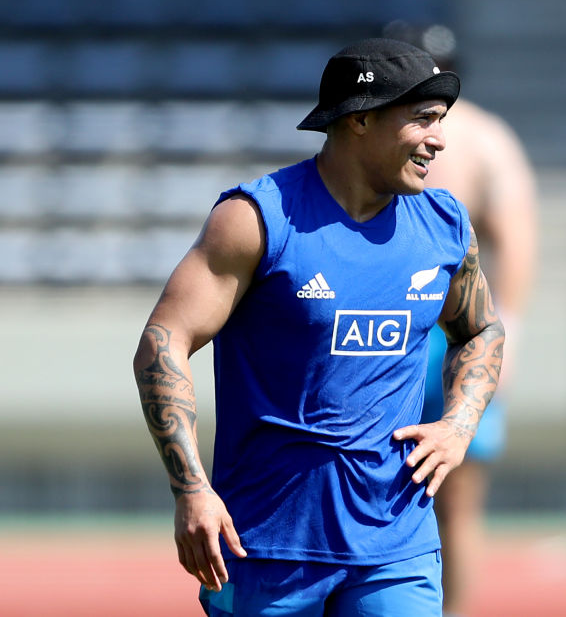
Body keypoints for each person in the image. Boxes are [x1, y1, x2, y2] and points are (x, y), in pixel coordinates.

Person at [133, 37, 505, 617]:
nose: (439, 139)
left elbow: (481, 331)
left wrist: (457, 425)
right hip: (262, 547)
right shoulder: (257, 219)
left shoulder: (446, 225)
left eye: (441, 121)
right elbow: (163, 342)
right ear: (359, 120)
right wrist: (191, 488)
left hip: (394, 546)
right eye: (423, 120)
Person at [382, 21, 538, 617]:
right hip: (446, 330)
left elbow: (515, 242)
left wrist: (507, 332)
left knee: (412, 492)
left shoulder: (430, 134)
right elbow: (516, 241)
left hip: (419, 329)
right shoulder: (485, 137)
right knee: (457, 503)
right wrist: (510, 330)